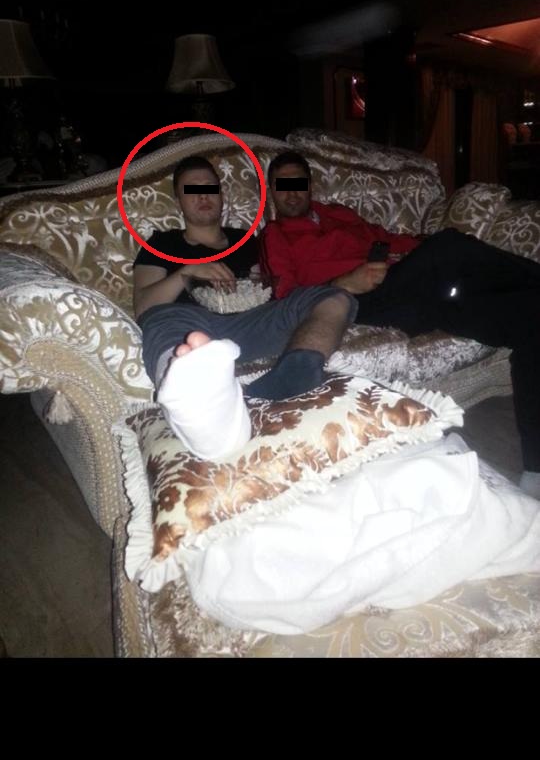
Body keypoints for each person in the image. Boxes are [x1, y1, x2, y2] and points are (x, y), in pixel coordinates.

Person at [260, 150, 540, 499]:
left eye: (297, 184)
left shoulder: (339, 214)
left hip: (412, 292)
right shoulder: (274, 235)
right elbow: (285, 296)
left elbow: (386, 238)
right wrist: (344, 282)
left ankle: (535, 469)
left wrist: (421, 251)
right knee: (449, 245)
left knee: (529, 312)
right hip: (356, 302)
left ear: (310, 186)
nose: (291, 193)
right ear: (271, 192)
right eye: (282, 186)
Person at [133, 155, 357, 460]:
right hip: (187, 321)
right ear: (178, 202)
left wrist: (259, 286)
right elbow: (144, 306)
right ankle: (196, 401)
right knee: (162, 319)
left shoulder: (247, 240)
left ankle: (296, 373)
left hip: (250, 321)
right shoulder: (162, 243)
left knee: (333, 297)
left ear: (222, 195)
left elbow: (272, 288)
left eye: (210, 188)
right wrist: (188, 271)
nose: (203, 197)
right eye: (192, 190)